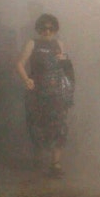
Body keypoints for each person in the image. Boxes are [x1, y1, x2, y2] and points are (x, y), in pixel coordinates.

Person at [16, 13, 73, 176]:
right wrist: (26, 79)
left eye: (50, 28)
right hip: (37, 92)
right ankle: (38, 159)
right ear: (38, 29)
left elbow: (66, 68)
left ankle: (55, 164)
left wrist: (67, 89)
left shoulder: (59, 43)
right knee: (38, 126)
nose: (47, 32)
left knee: (59, 126)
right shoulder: (32, 43)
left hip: (56, 92)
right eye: (44, 28)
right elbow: (19, 63)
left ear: (55, 29)